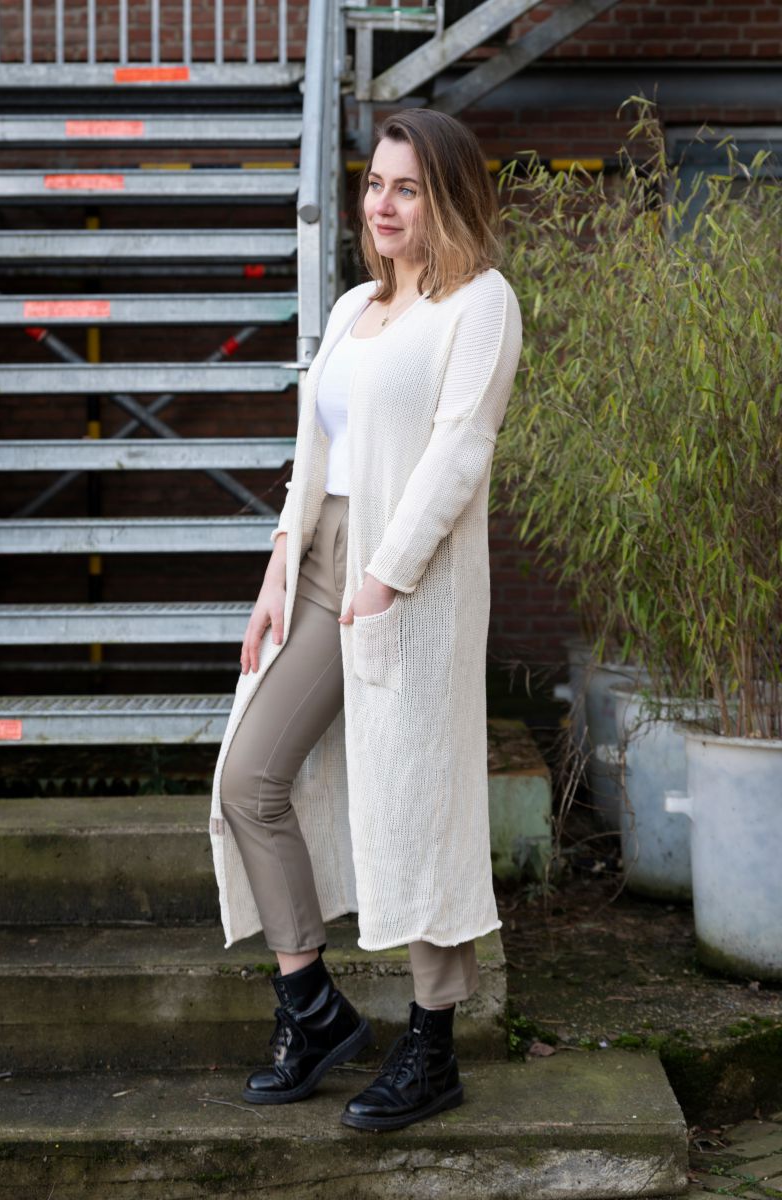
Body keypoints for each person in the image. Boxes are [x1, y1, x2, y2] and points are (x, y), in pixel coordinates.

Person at [210, 107, 522, 1133]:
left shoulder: (479, 303)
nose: (381, 206)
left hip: (408, 578)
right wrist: (276, 572)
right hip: (319, 565)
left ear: (446, 197)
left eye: (405, 189)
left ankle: (432, 1048)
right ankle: (312, 1008)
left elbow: (460, 448)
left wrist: (386, 578)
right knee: (249, 779)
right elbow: (315, 454)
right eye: (373, 185)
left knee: (418, 798)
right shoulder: (353, 306)